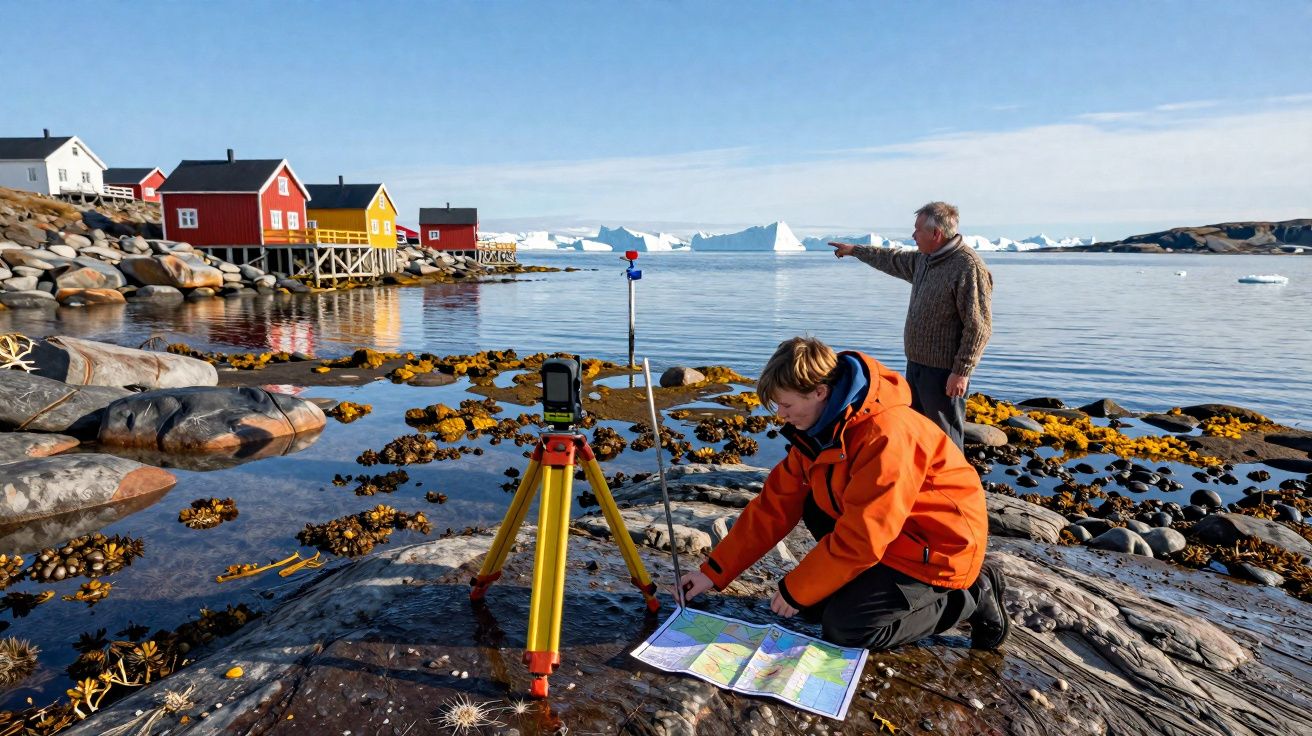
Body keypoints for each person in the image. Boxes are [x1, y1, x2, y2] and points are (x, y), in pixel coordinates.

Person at [675, 337, 1010, 651]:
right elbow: (773, 507)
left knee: (847, 630)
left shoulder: (886, 435)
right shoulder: (820, 430)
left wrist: (797, 589)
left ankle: (971, 595)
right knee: (812, 606)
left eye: (786, 404)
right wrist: (712, 573)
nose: (780, 415)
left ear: (820, 392)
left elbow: (864, 536)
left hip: (937, 547)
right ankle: (861, 584)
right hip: (891, 537)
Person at [830, 202, 992, 449]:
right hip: (916, 365)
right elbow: (890, 259)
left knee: (944, 438)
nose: (913, 235)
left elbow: (978, 326)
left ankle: (954, 486)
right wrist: (855, 250)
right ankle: (922, 484)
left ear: (936, 234)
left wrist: (961, 371)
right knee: (917, 431)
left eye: (918, 230)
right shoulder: (925, 260)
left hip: (943, 372)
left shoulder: (967, 266)